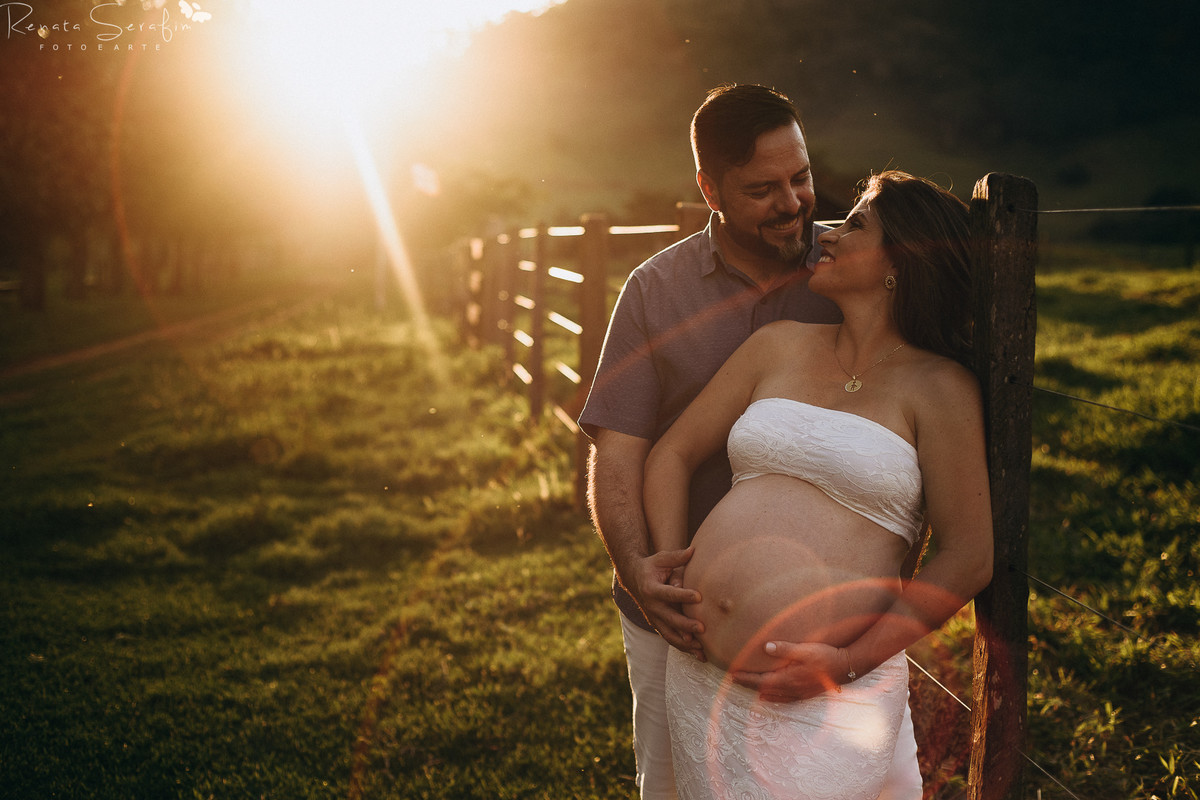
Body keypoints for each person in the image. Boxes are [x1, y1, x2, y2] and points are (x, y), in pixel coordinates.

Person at [579, 84, 922, 799]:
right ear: (708, 188)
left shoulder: (849, 270)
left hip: (828, 637)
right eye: (763, 189)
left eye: (800, 177)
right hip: (667, 612)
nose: (795, 203)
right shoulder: (654, 291)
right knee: (672, 781)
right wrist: (645, 568)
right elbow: (620, 453)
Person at [642, 170, 995, 800]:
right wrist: (671, 575)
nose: (826, 234)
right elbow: (673, 452)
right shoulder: (776, 346)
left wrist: (848, 662)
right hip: (700, 679)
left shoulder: (941, 388)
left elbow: (968, 556)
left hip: (828, 694)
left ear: (899, 262)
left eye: (856, 223)